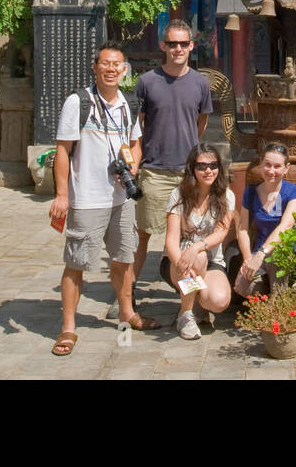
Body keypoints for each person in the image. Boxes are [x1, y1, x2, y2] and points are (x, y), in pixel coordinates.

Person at [49, 43, 155, 357]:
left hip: (120, 199)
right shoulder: (78, 102)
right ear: (95, 67)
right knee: (76, 263)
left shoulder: (127, 103)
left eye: (117, 64)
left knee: (123, 259)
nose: (111, 69)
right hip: (87, 198)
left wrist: (133, 164)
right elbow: (62, 150)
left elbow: (135, 143)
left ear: (125, 71)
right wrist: (61, 195)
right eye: (105, 64)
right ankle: (68, 326)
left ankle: (127, 313)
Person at [130, 19, 213, 300]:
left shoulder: (200, 82)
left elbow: (200, 123)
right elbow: (136, 129)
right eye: (172, 43)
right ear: (163, 46)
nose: (178, 49)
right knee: (143, 234)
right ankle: (126, 295)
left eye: (183, 43)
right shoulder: (147, 82)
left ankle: (189, 302)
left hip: (188, 172)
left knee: (190, 236)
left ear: (191, 46)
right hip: (154, 170)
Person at [165, 143, 234, 339]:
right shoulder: (178, 194)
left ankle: (197, 303)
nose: (208, 170)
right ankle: (185, 314)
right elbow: (170, 240)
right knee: (198, 258)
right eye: (201, 166)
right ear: (192, 168)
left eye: (213, 165)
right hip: (178, 261)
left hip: (211, 261)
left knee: (218, 301)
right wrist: (181, 263)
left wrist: (196, 247)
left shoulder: (226, 196)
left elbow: (221, 233)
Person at [234, 143, 296, 296]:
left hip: (284, 251)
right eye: (267, 165)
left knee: (276, 257)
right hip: (259, 253)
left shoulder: (293, 192)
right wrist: (248, 258)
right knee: (243, 286)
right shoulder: (251, 192)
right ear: (260, 165)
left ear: (286, 168)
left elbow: (287, 224)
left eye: (277, 166)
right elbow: (243, 228)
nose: (271, 171)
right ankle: (270, 300)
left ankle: (279, 302)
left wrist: (261, 254)